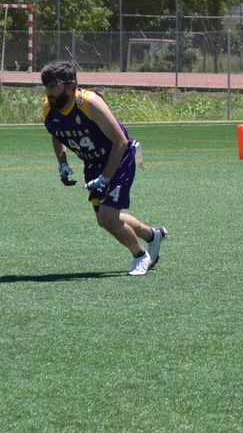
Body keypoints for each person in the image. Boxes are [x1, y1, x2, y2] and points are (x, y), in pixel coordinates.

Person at [40, 60, 167, 276]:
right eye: (46, 87)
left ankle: (140, 255)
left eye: (53, 87)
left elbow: (120, 142)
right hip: (93, 163)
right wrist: (62, 163)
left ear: (71, 87)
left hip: (119, 157)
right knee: (105, 219)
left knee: (108, 217)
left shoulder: (89, 103)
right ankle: (153, 236)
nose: (48, 93)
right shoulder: (49, 109)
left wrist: (105, 178)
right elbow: (56, 133)